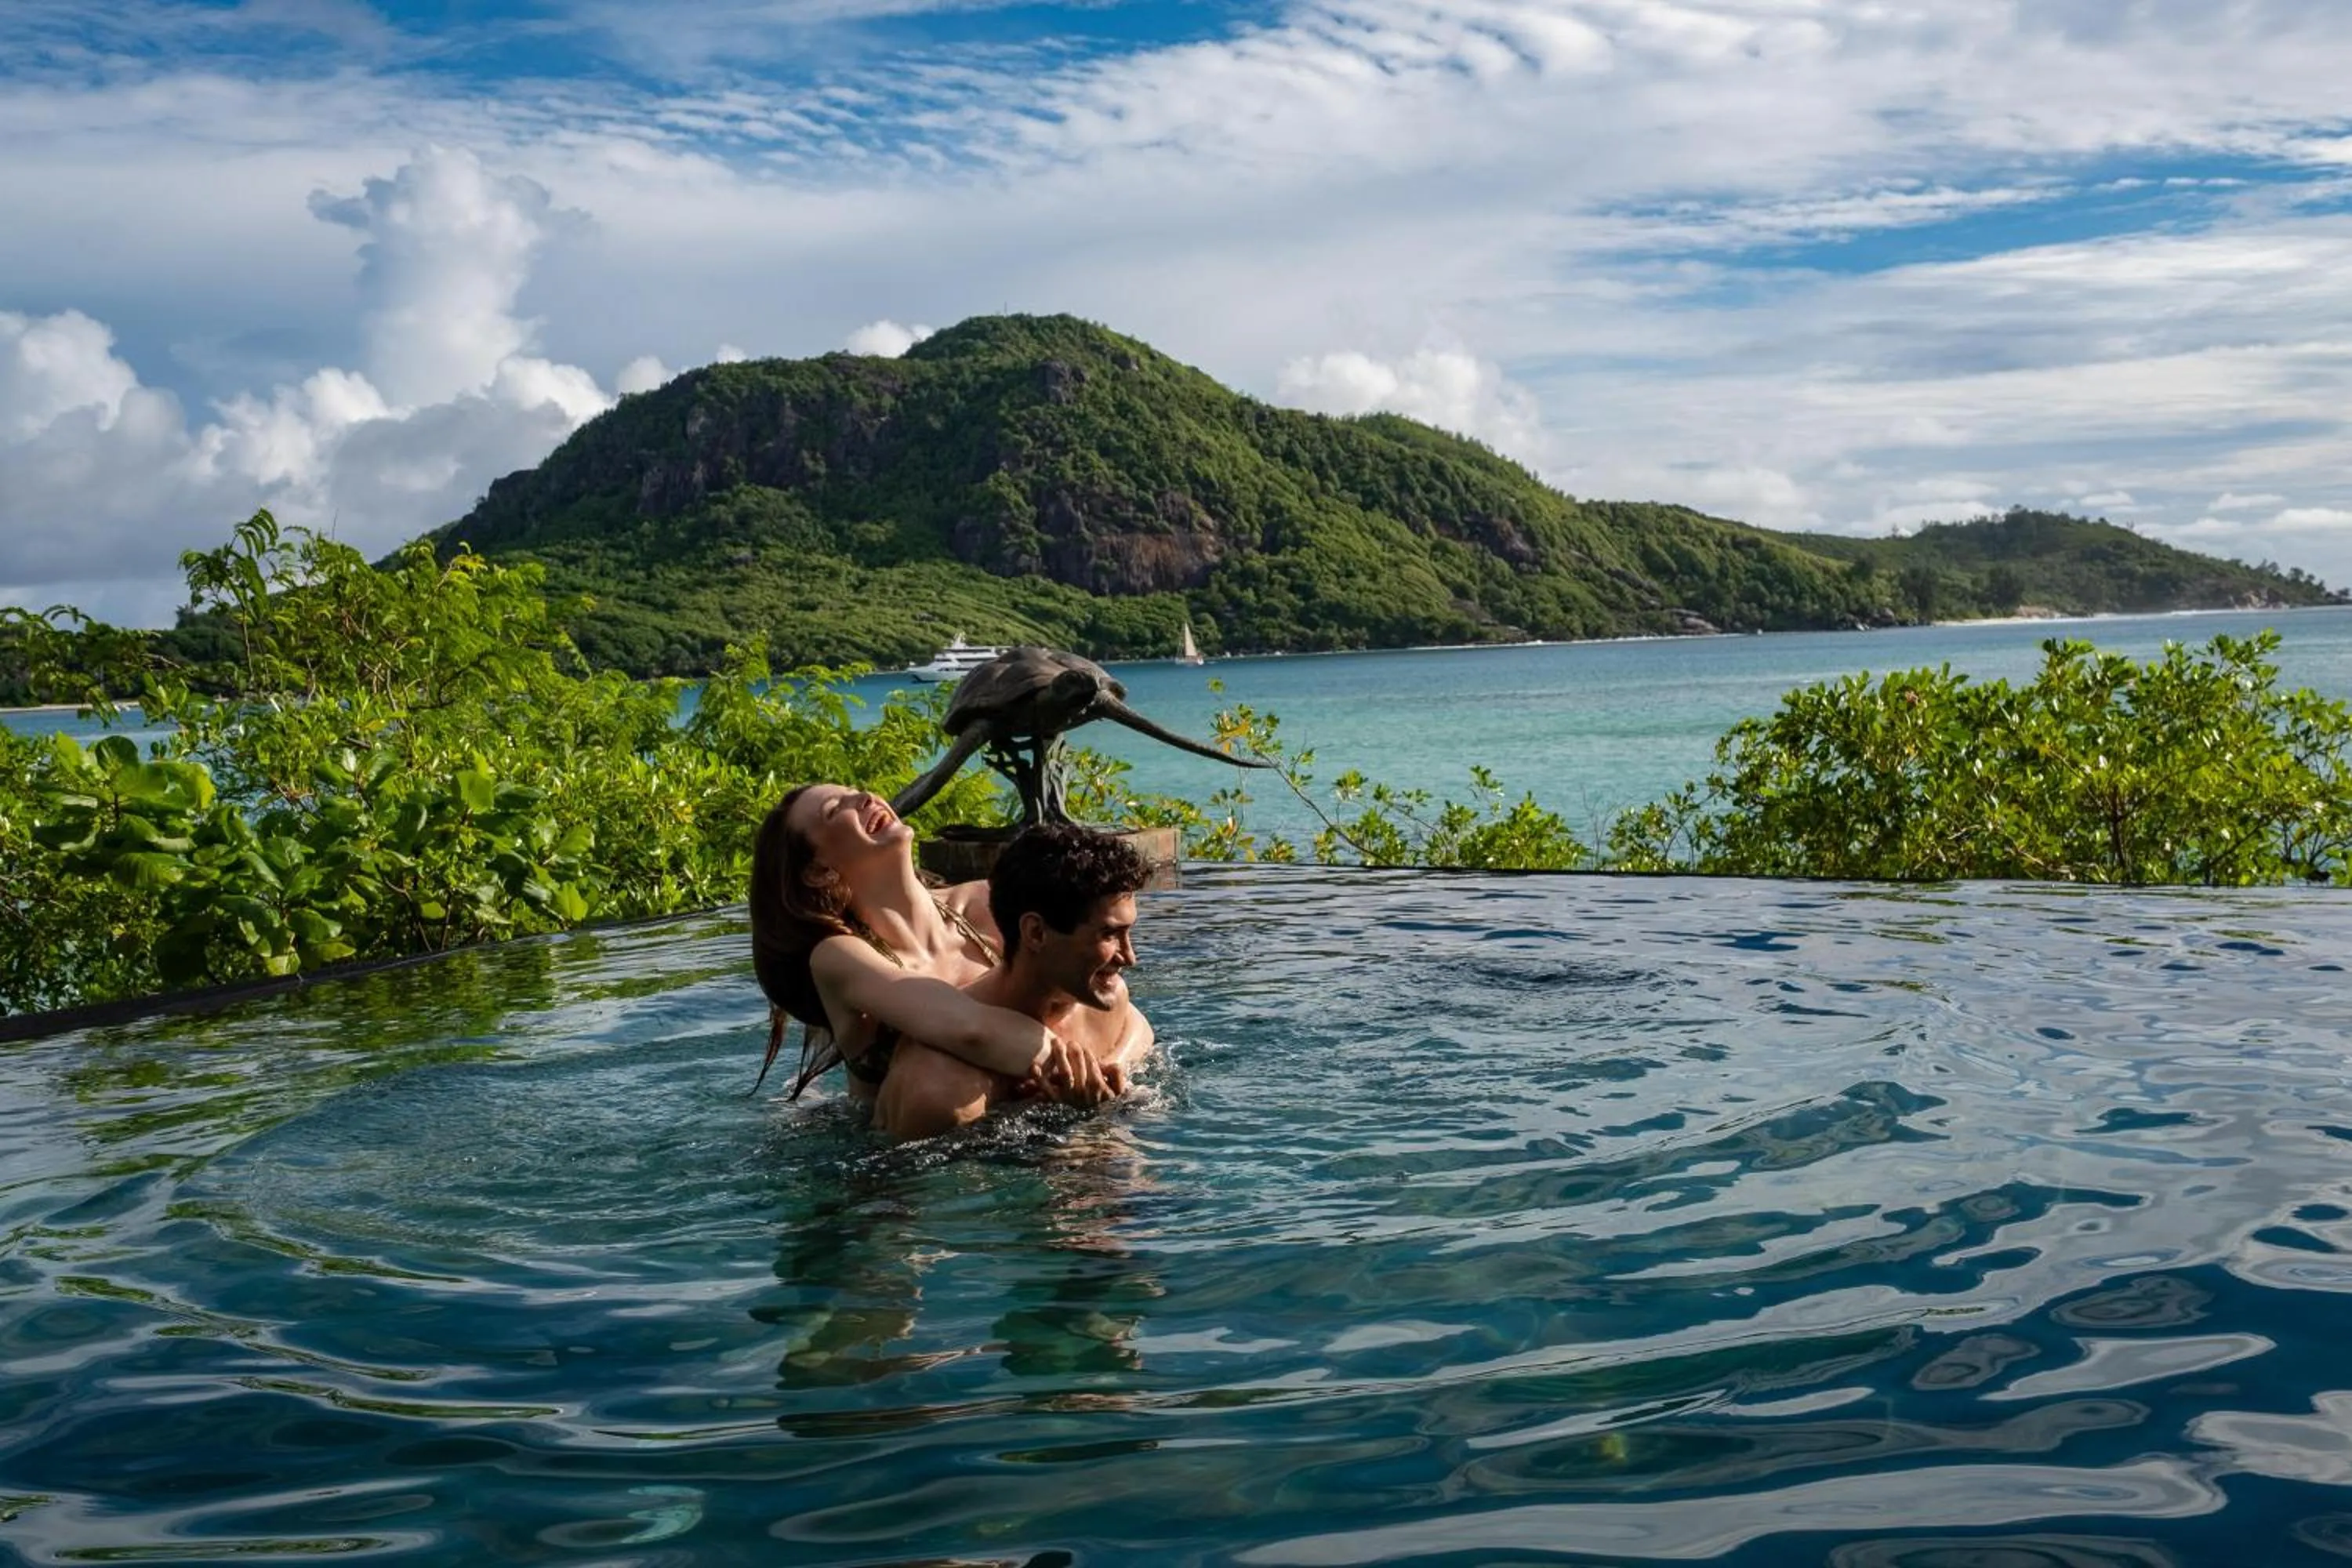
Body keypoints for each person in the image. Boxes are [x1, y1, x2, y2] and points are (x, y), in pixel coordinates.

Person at [748, 784, 1118, 1114]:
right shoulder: (838, 957)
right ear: (818, 871)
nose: (864, 797)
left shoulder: (983, 902)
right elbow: (968, 1029)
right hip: (904, 1170)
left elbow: (1119, 1009)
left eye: (854, 789)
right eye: (834, 809)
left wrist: (1113, 1070)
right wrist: (1072, 1071)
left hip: (1036, 1115)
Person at [873, 822, 1156, 1142]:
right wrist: (1082, 1125)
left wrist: (1112, 1074)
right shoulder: (940, 1090)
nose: (1130, 957)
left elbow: (1140, 1029)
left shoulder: (1106, 1003)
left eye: (1128, 932)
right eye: (1109, 935)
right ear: (1036, 933)